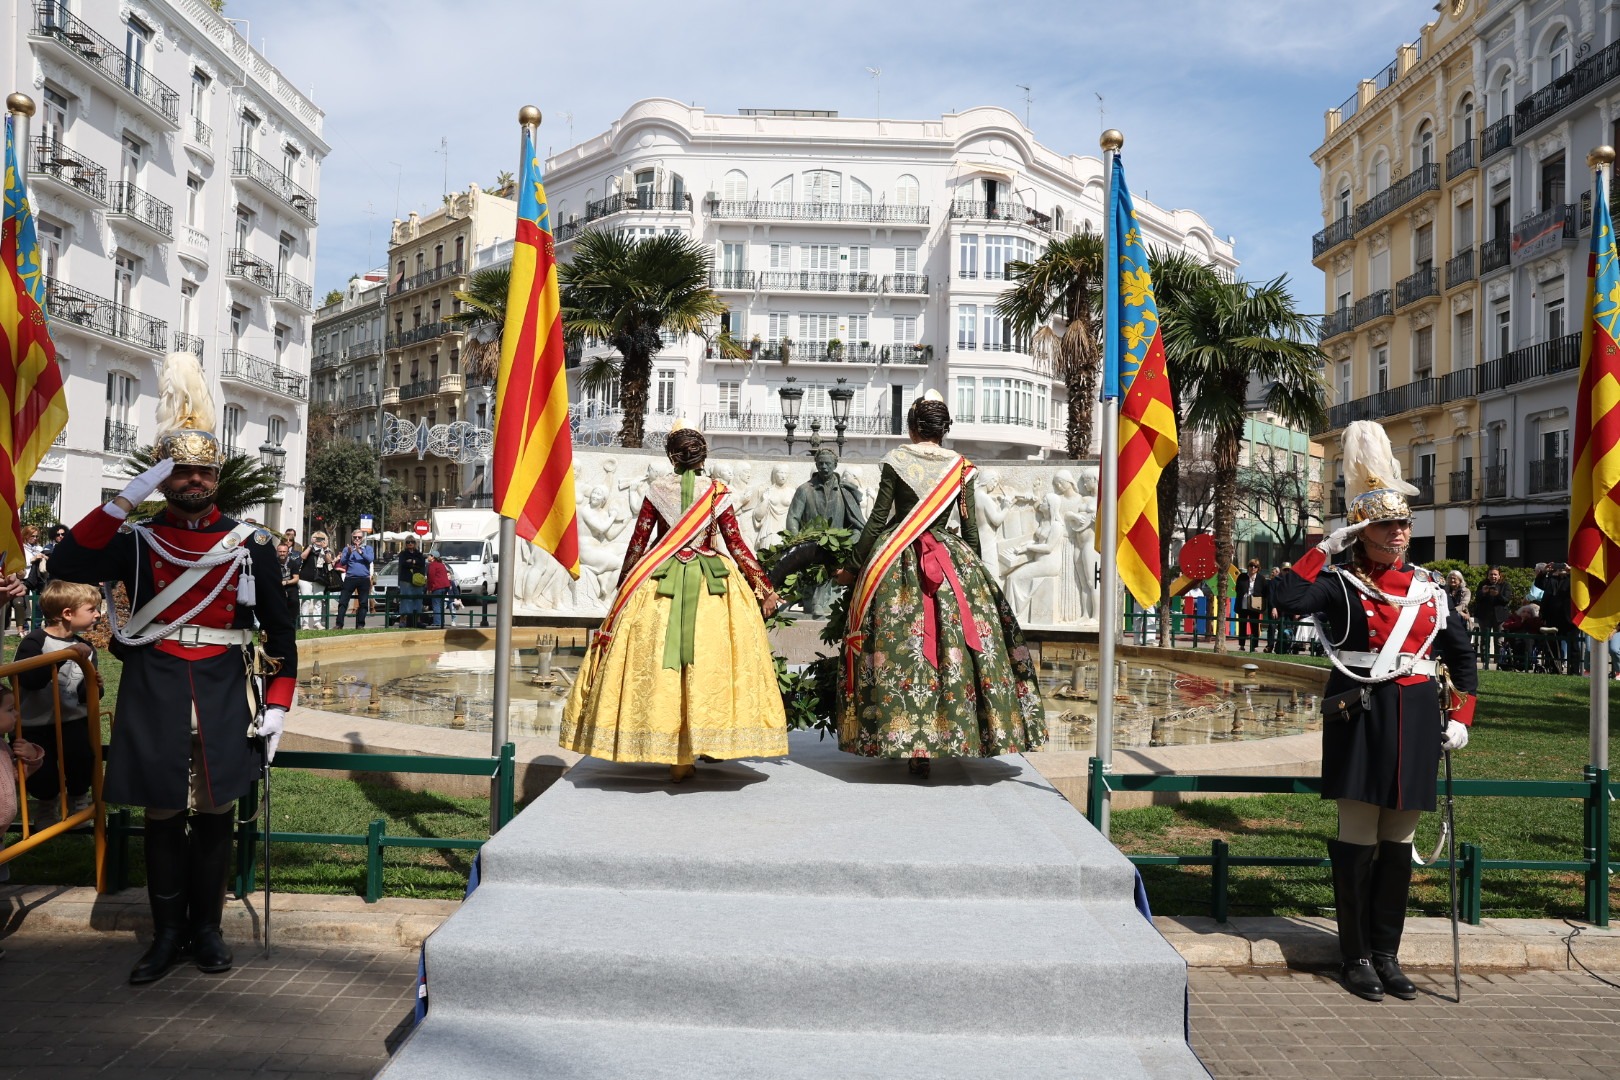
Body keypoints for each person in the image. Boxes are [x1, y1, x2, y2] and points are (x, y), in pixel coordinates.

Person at [46, 350, 297, 986]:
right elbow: (65, 560)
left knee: (214, 813)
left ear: (217, 477)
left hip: (220, 688)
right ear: (162, 478)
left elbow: (282, 633)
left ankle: (207, 931)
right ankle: (164, 937)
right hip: (155, 685)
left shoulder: (252, 544)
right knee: (163, 813)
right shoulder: (134, 540)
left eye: (202, 471)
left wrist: (277, 705)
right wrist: (124, 499)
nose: (193, 481)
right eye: (179, 471)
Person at [1270, 420, 1475, 1003]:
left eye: (1403, 523)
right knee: (1357, 840)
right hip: (1359, 717)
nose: (1399, 534)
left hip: (1414, 721)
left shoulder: (1428, 588)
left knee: (1398, 844)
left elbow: (1461, 658)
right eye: (1387, 525)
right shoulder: (1339, 582)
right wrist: (1321, 549)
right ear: (1363, 532)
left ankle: (1387, 954)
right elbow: (1284, 601)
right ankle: (1354, 954)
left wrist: (1460, 717)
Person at [833, 394, 1045, 778]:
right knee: (954, 648)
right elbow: (968, 530)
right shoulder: (961, 468)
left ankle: (904, 737)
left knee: (899, 647)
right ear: (945, 431)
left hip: (894, 559)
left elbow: (879, 520)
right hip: (950, 563)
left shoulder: (897, 461)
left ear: (912, 428)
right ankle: (959, 733)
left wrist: (852, 567)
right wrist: (975, 576)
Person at [561, 426, 789, 783]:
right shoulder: (717, 493)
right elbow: (737, 545)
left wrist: (624, 590)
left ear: (671, 456)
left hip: (659, 580)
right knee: (713, 664)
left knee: (658, 669)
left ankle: (672, 753)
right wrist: (765, 588)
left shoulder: (656, 491)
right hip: (714, 585)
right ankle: (708, 739)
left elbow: (638, 544)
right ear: (703, 457)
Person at [14, 579, 102, 824]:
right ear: (67, 613)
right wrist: (63, 658)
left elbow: (84, 692)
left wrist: (96, 686)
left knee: (82, 760)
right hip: (35, 722)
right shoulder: (35, 642)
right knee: (42, 772)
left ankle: (79, 801)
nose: (97, 614)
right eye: (91, 609)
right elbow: (30, 679)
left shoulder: (85, 646)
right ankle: (46, 805)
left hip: (72, 719)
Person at [1473, 566, 1513, 667]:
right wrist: (1483, 592)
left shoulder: (1505, 585)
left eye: (1495, 574)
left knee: (1499, 640)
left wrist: (1497, 594)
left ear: (1499, 575)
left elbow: (1506, 600)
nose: (1493, 576)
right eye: (1491, 574)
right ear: (1488, 575)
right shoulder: (1483, 584)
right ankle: (1484, 662)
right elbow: (1477, 599)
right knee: (1484, 640)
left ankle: (1498, 662)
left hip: (1499, 617)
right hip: (1484, 616)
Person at [335, 530, 375, 629]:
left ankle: (360, 624)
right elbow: (343, 562)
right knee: (343, 601)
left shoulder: (367, 548)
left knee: (363, 603)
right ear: (352, 538)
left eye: (359, 537)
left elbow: (370, 559)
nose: (357, 539)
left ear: (363, 538)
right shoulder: (347, 549)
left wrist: (360, 552)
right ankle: (339, 624)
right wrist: (348, 553)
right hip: (350, 578)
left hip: (364, 579)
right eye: (355, 537)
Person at [298, 531, 336, 629]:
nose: (319, 541)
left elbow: (329, 561)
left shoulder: (327, 550)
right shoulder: (308, 547)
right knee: (306, 599)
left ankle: (317, 622)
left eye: (321, 539)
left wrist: (324, 548)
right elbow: (303, 557)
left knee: (318, 600)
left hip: (320, 579)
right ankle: (305, 623)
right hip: (305, 578)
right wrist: (311, 545)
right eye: (317, 538)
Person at [1237, 558, 1268, 652]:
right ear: (1248, 567)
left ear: (1258, 568)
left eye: (1255, 566)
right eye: (1251, 566)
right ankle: (1241, 645)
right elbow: (1237, 588)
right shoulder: (1242, 576)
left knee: (1254, 625)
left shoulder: (1261, 578)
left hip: (1255, 604)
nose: (1253, 568)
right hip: (1243, 603)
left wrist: (1258, 600)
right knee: (1242, 624)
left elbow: (1265, 592)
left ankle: (1254, 646)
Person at [398, 537, 428, 629]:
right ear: (405, 544)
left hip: (418, 580)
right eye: (408, 542)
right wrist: (415, 563)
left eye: (412, 542)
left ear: (415, 543)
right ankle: (403, 620)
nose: (410, 543)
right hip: (406, 580)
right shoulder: (403, 554)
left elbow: (422, 563)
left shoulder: (419, 554)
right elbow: (403, 564)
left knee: (418, 600)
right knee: (406, 600)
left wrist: (411, 561)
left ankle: (418, 620)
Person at [426, 553, 453, 628]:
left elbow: (431, 577)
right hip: (445, 586)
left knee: (436, 604)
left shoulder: (432, 565)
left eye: (429, 555)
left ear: (433, 557)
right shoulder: (441, 564)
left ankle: (437, 623)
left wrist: (429, 588)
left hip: (437, 586)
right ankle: (441, 622)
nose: (427, 556)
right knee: (441, 604)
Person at [277, 541, 302, 617]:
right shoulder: (273, 563)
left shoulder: (293, 563)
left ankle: (292, 624)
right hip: (277, 587)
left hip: (290, 586)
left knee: (294, 602)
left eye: (284, 551)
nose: (282, 553)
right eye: (280, 551)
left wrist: (286, 582)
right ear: (277, 552)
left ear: (288, 552)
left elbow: (296, 578)